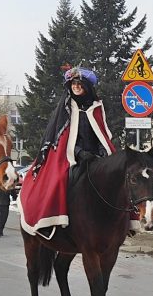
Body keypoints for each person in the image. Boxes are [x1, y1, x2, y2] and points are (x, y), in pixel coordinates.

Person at [18, 66, 115, 238]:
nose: (76, 86)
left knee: (117, 178)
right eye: (73, 83)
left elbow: (102, 134)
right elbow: (62, 136)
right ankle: (51, 220)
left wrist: (101, 152)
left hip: (96, 156)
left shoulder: (96, 107)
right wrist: (79, 153)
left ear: (87, 86)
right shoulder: (66, 108)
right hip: (70, 156)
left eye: (79, 83)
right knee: (60, 179)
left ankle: (120, 221)